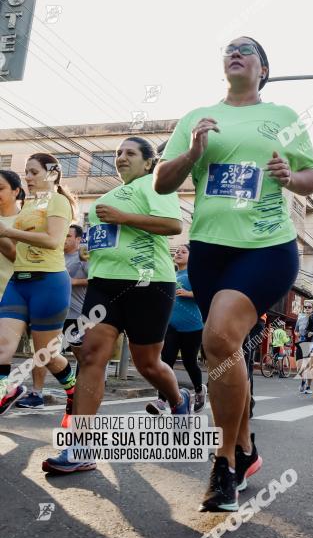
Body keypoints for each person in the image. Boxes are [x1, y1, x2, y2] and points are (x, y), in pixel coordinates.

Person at [154, 36, 313, 510]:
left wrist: (290, 175)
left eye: (247, 49)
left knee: (219, 338)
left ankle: (223, 462)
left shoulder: (283, 118)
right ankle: (247, 448)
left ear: (263, 69)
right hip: (209, 248)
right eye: (230, 47)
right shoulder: (198, 117)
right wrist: (191, 152)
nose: (237, 52)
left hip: (267, 246)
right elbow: (163, 180)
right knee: (226, 350)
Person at [42, 136, 190, 474]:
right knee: (92, 356)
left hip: (149, 282)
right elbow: (103, 237)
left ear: (149, 162)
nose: (121, 157)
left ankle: (178, 401)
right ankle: (80, 447)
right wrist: (90, 249)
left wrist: (123, 216)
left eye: (130, 153)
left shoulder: (157, 185)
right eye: (118, 153)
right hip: (104, 283)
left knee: (148, 363)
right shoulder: (104, 199)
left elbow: (173, 226)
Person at [0, 154, 76, 417]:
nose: (28, 178)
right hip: (18, 282)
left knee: (46, 355)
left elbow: (54, 240)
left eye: (33, 172)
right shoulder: (30, 204)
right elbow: (14, 249)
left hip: (48, 282)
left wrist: (8, 232)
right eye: (26, 172)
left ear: (51, 173)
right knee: (2, 344)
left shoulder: (58, 201)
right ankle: (4, 391)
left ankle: (73, 390)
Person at [16, 223, 89, 410]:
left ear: (78, 239)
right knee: (42, 353)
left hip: (76, 314)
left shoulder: (83, 257)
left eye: (68, 236)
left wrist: (74, 281)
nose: (64, 239)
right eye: (62, 235)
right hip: (52, 312)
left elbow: (96, 278)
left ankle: (83, 391)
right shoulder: (54, 256)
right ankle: (36, 394)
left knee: (82, 355)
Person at [145, 243, 206, 415]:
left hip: (192, 326)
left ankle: (199, 391)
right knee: (165, 362)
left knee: (189, 362)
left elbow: (205, 294)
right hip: (170, 326)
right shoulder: (170, 274)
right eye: (177, 251)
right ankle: (161, 400)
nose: (178, 253)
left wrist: (188, 293)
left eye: (183, 251)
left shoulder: (194, 274)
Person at [0, 169, 25, 302]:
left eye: (0, 188)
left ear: (16, 191)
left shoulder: (27, 220)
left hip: (13, 300)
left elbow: (20, 257)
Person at [295, 301, 313, 393]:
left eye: (309, 307)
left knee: (308, 366)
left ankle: (308, 386)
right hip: (300, 342)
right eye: (305, 307)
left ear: (312, 309)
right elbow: (296, 331)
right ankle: (303, 380)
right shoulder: (300, 319)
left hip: (310, 343)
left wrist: (312, 334)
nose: (307, 308)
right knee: (299, 367)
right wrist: (298, 334)